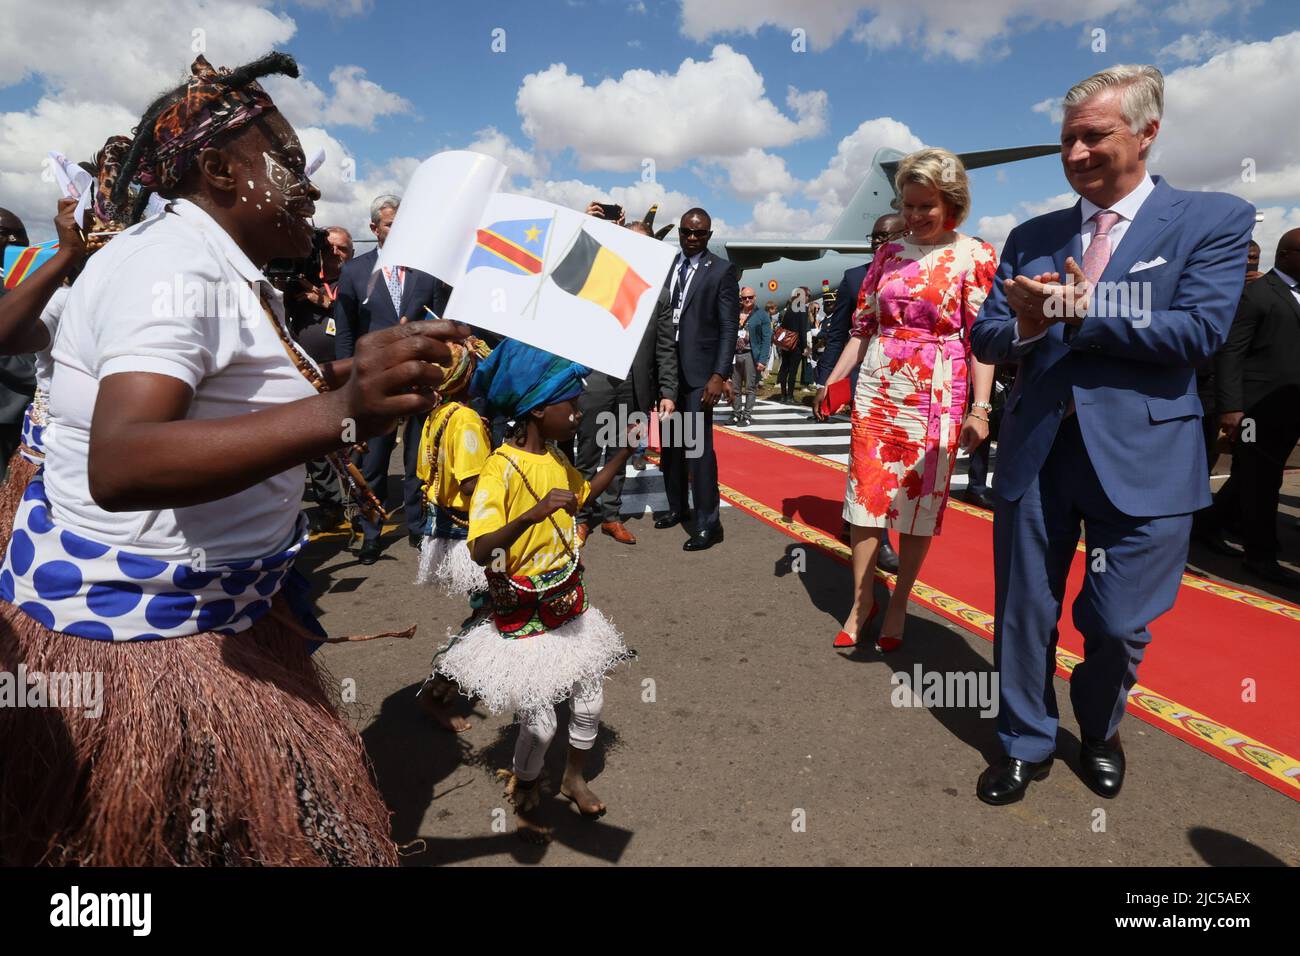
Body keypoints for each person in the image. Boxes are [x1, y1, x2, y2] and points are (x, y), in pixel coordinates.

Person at [0, 52, 472, 865]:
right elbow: (124, 461)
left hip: (220, 614)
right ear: (219, 170)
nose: (314, 187)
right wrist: (343, 409)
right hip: (150, 642)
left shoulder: (217, 263)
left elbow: (243, 393)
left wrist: (368, 372)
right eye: (288, 163)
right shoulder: (170, 265)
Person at [969, 64, 1255, 805]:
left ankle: (1099, 727)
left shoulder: (1213, 220)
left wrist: (1078, 312)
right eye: (1066, 139)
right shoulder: (1033, 235)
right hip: (1038, 451)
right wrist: (1028, 323)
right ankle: (1024, 741)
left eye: (1094, 135)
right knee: (1023, 611)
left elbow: (1199, 331)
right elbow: (990, 334)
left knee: (1119, 621)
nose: (1075, 153)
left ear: (1147, 133)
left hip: (1147, 456)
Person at [435, 339, 636, 843]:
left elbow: (586, 490)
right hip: (523, 615)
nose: (576, 413)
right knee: (542, 723)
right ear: (539, 410)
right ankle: (527, 782)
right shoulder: (499, 470)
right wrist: (533, 513)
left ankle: (573, 777)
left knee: (589, 704)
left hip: (568, 603)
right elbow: (481, 549)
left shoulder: (555, 456)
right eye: (570, 405)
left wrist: (626, 450)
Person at [818, 148, 996, 654]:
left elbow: (981, 338)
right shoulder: (887, 255)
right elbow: (860, 328)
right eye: (909, 206)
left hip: (937, 387)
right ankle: (861, 601)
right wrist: (833, 382)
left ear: (952, 203)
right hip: (878, 384)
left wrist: (980, 409)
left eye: (926, 207)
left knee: (918, 506)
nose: (914, 218)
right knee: (866, 500)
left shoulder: (975, 255)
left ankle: (899, 602)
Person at [333, 194, 453, 563]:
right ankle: (372, 532)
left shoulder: (427, 271)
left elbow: (444, 322)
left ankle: (417, 529)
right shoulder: (354, 273)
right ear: (374, 229)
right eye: (390, 225)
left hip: (421, 377)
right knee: (374, 461)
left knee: (420, 458)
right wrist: (349, 380)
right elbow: (346, 333)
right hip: (375, 383)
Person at [573, 214, 677, 545]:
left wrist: (668, 390)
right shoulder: (597, 282)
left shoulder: (660, 295)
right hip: (599, 379)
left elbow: (665, 348)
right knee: (588, 451)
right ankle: (581, 516)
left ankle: (611, 516)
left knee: (620, 453)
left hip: (634, 386)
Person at [817, 212, 907, 573]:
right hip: (863, 382)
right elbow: (839, 333)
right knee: (870, 459)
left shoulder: (917, 276)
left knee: (892, 462)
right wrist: (827, 381)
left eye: (885, 237)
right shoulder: (855, 278)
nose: (877, 244)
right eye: (873, 238)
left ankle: (853, 517)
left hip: (904, 383)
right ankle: (878, 536)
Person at [1211, 229, 1300, 588]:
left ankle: (1206, 524)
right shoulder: (1257, 294)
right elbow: (1231, 352)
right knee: (1263, 479)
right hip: (1257, 409)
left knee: (1255, 475)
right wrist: (1231, 407)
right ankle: (1259, 556)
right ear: (1285, 256)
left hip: (1290, 403)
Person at [655, 206, 739, 552]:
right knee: (672, 447)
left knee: (697, 448)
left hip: (699, 374)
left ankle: (709, 523)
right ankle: (677, 507)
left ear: (709, 235)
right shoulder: (666, 265)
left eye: (699, 233)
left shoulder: (721, 272)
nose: (692, 238)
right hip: (667, 371)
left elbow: (728, 328)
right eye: (687, 232)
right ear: (679, 232)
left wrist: (719, 374)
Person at [0, 208, 36, 474]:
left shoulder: (22, 282)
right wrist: (38, 378)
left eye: (21, 236)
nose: (16, 242)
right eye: (7, 235)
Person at [728, 286, 768, 426]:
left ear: (755, 297)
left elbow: (766, 339)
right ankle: (736, 413)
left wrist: (762, 360)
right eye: (744, 298)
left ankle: (747, 415)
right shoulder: (736, 313)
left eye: (750, 297)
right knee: (735, 387)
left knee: (750, 387)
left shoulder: (761, 314)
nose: (747, 300)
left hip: (751, 354)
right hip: (735, 354)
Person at [775, 290, 811, 404]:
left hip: (786, 342)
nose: (808, 298)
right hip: (797, 344)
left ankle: (783, 395)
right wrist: (805, 346)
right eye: (807, 296)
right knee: (793, 371)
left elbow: (783, 326)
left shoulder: (790, 308)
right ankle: (790, 396)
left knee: (784, 368)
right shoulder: (803, 309)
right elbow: (802, 330)